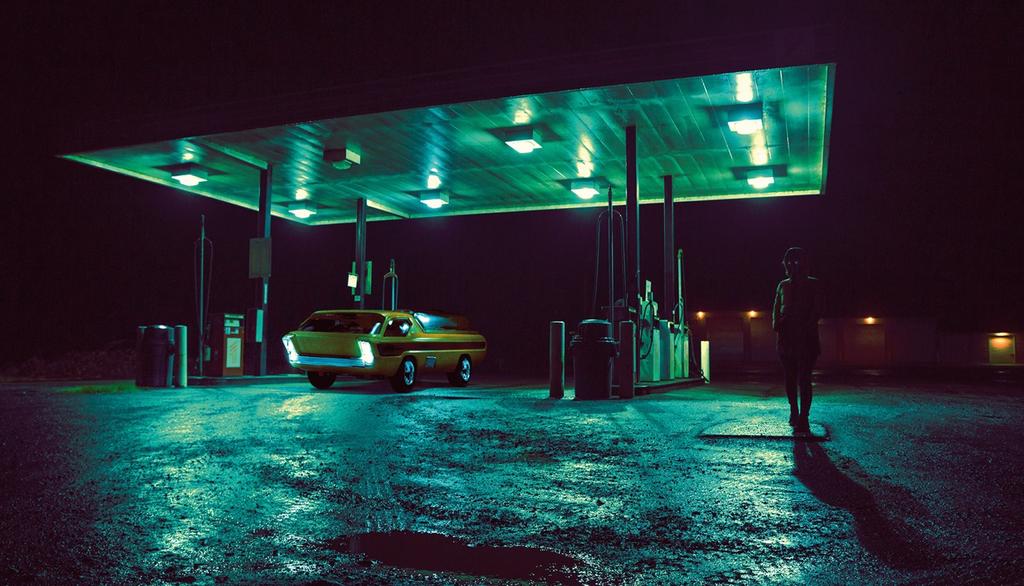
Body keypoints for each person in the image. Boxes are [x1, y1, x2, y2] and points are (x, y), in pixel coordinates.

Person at [772, 247, 824, 432]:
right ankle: (794, 411)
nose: (794, 264)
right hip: (786, 338)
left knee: (804, 379)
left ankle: (804, 416)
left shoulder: (813, 284)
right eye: (790, 261)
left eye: (797, 260)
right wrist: (778, 324)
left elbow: (817, 310)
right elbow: (776, 308)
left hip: (806, 338)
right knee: (790, 378)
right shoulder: (782, 285)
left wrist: (806, 327)